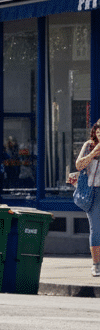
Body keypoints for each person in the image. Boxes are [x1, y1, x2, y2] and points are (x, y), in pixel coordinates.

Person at [73, 119, 100, 277]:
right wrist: (93, 153)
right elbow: (79, 165)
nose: (99, 135)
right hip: (94, 192)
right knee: (96, 228)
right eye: (98, 133)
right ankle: (96, 264)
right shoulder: (89, 145)